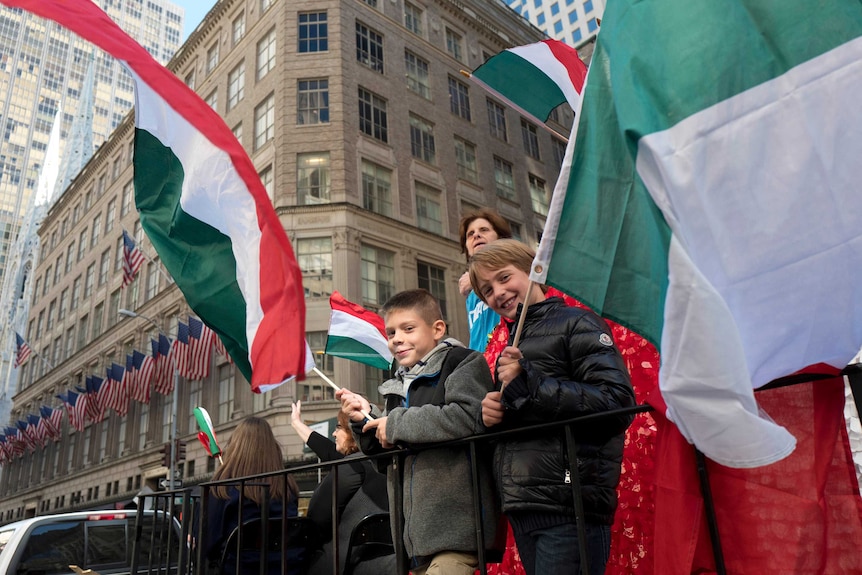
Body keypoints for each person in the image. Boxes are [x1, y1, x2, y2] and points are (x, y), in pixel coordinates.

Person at [468, 239, 636, 575]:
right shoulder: (506, 347)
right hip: (526, 507)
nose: (497, 293)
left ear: (535, 271)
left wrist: (529, 384)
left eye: (504, 278)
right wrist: (492, 418)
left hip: (570, 505)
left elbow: (617, 404)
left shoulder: (577, 323)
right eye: (487, 290)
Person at [337, 289, 500, 575]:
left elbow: (469, 417)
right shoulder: (396, 386)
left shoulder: (462, 362)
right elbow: (386, 459)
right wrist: (367, 420)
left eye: (408, 328)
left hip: (456, 530)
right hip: (413, 540)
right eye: (391, 333)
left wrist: (396, 424)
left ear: (437, 329)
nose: (396, 338)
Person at [290, 401, 392, 575]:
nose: (333, 433)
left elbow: (315, 521)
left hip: (344, 564)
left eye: (338, 427)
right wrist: (296, 423)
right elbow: (327, 450)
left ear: (353, 431)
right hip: (388, 560)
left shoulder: (350, 468)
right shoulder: (387, 464)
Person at [203, 416, 301, 575]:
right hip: (287, 569)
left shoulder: (223, 488)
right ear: (272, 447)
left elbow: (208, 545)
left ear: (235, 447)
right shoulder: (287, 487)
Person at [457, 209, 512, 351]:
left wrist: (478, 276)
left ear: (500, 238)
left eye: (484, 230)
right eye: (470, 234)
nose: (476, 235)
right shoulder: (471, 294)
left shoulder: (515, 270)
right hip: (482, 366)